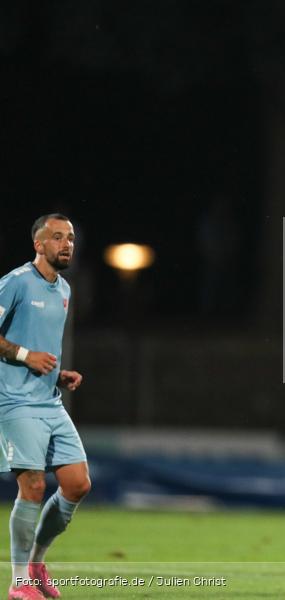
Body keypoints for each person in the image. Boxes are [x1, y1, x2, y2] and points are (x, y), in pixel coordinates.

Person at [0, 214, 91, 600]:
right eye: (57, 237)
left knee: (77, 484)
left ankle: (36, 563)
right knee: (33, 487)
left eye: (69, 237)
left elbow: (42, 348)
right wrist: (25, 355)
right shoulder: (16, 282)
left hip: (49, 402)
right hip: (15, 402)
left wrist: (57, 374)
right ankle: (19, 583)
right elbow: (23, 348)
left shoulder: (64, 290)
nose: (66, 243)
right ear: (38, 245)